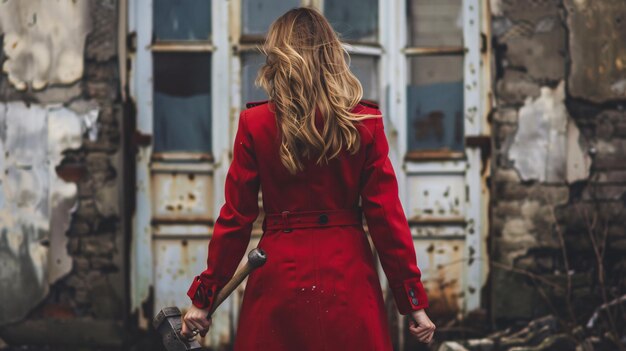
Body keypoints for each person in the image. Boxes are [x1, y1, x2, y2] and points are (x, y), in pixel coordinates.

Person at [180, 6, 435, 350]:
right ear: (332, 55)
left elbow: (236, 218)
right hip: (348, 274)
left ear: (278, 57)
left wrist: (204, 295)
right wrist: (412, 301)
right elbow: (386, 219)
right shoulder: (365, 122)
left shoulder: (256, 124)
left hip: (279, 274)